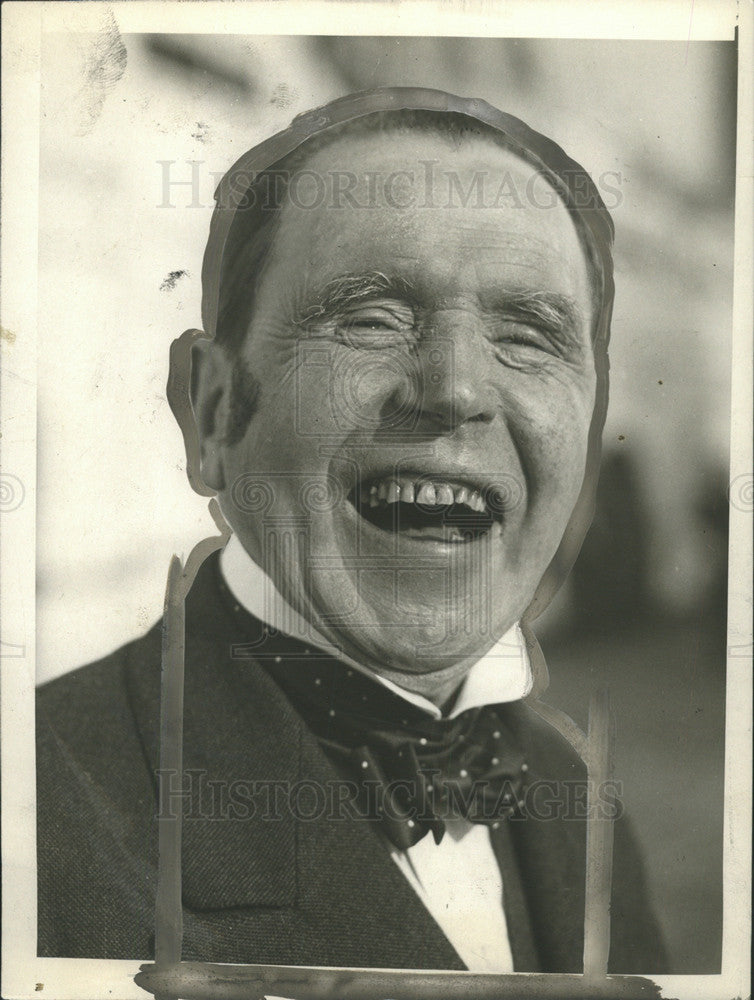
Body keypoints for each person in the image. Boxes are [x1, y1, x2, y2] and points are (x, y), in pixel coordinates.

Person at [36, 88, 667, 972]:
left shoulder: (576, 798)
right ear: (215, 416)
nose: (454, 390)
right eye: (371, 318)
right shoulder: (34, 830)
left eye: (527, 335)